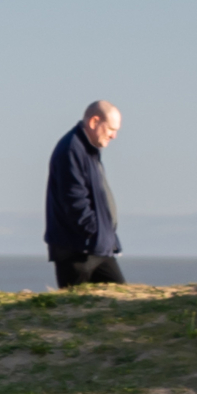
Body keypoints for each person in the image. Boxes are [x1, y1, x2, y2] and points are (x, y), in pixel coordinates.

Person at [45, 100, 125, 287]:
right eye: (111, 129)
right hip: (77, 250)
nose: (114, 136)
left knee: (119, 302)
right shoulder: (71, 149)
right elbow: (75, 201)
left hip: (95, 247)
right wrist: (95, 233)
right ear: (94, 122)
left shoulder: (88, 149)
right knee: (76, 309)